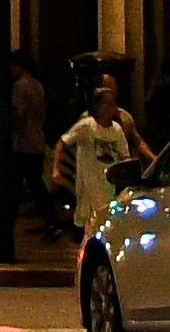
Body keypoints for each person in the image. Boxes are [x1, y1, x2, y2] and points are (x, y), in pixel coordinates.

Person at [52, 75, 147, 236]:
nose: (110, 108)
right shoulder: (86, 126)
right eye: (106, 103)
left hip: (108, 189)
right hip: (89, 189)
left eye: (112, 103)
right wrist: (56, 169)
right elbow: (62, 142)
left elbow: (124, 157)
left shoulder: (117, 130)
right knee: (88, 229)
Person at [8, 52, 50, 238]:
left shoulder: (19, 86)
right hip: (37, 140)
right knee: (35, 183)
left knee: (18, 185)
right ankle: (51, 220)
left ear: (19, 66)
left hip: (23, 142)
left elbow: (20, 113)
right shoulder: (38, 85)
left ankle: (9, 222)